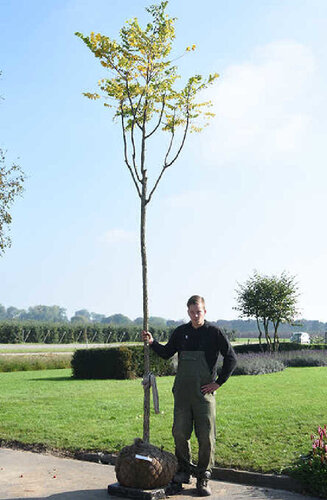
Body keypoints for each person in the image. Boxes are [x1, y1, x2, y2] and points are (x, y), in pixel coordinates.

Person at [142, 295, 237, 496]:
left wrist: (218, 383)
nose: (195, 315)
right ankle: (183, 471)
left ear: (205, 311)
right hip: (183, 394)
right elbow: (167, 352)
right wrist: (152, 342)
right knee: (179, 433)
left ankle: (203, 476)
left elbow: (231, 358)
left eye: (199, 311)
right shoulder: (181, 332)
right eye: (192, 312)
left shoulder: (214, 333)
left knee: (206, 436)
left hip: (204, 395)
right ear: (188, 312)